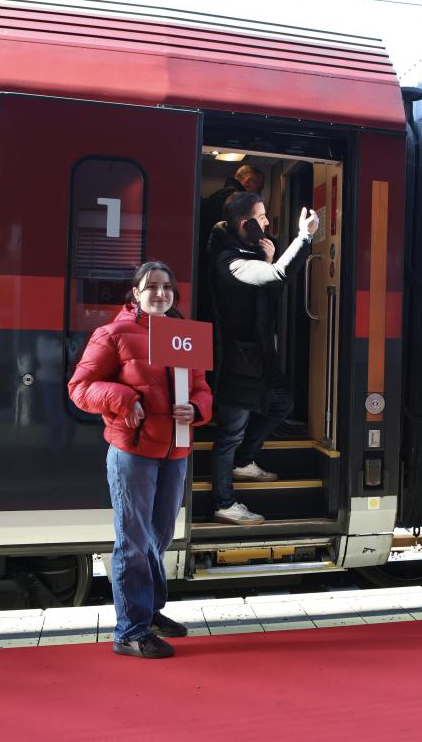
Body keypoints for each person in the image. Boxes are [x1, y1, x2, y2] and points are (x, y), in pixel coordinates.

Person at [68, 261, 213, 659]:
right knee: (132, 541)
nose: (160, 293)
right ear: (135, 293)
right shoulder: (113, 334)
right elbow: (80, 387)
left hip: (175, 453)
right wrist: (123, 398)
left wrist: (197, 408)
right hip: (133, 453)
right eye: (151, 286)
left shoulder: (185, 335)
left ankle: (148, 612)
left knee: (157, 538)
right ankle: (130, 632)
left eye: (167, 287)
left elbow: (202, 388)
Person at [206, 191, 319, 525]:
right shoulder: (228, 260)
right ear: (246, 223)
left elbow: (270, 293)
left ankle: (245, 461)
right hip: (236, 361)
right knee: (229, 434)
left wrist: (269, 261)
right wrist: (304, 237)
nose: (268, 222)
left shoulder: (248, 254)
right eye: (262, 216)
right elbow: (278, 277)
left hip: (256, 357)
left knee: (282, 402)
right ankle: (224, 503)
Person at [196, 164, 266, 322]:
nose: (259, 193)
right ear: (248, 181)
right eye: (259, 187)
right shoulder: (238, 201)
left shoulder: (218, 197)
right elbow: (247, 240)